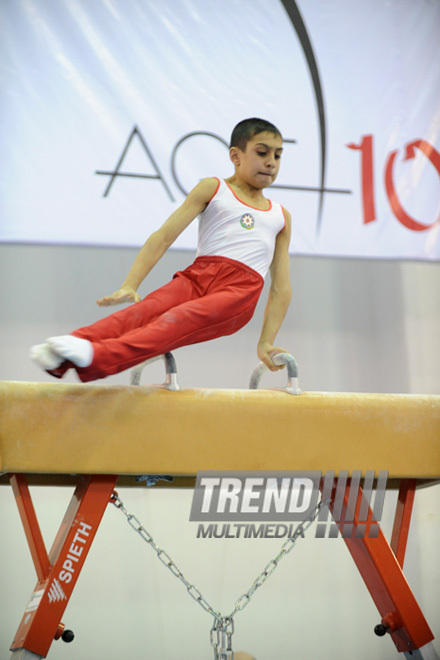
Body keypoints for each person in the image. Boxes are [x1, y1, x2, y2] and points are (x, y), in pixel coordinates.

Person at [30, 118, 292, 383]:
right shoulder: (213, 189)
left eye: (278, 155)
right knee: (143, 311)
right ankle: (69, 347)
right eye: (262, 152)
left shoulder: (279, 216)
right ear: (235, 155)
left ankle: (97, 355)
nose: (271, 161)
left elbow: (281, 287)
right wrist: (130, 284)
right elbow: (163, 237)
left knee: (177, 318)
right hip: (198, 276)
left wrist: (265, 342)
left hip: (238, 292)